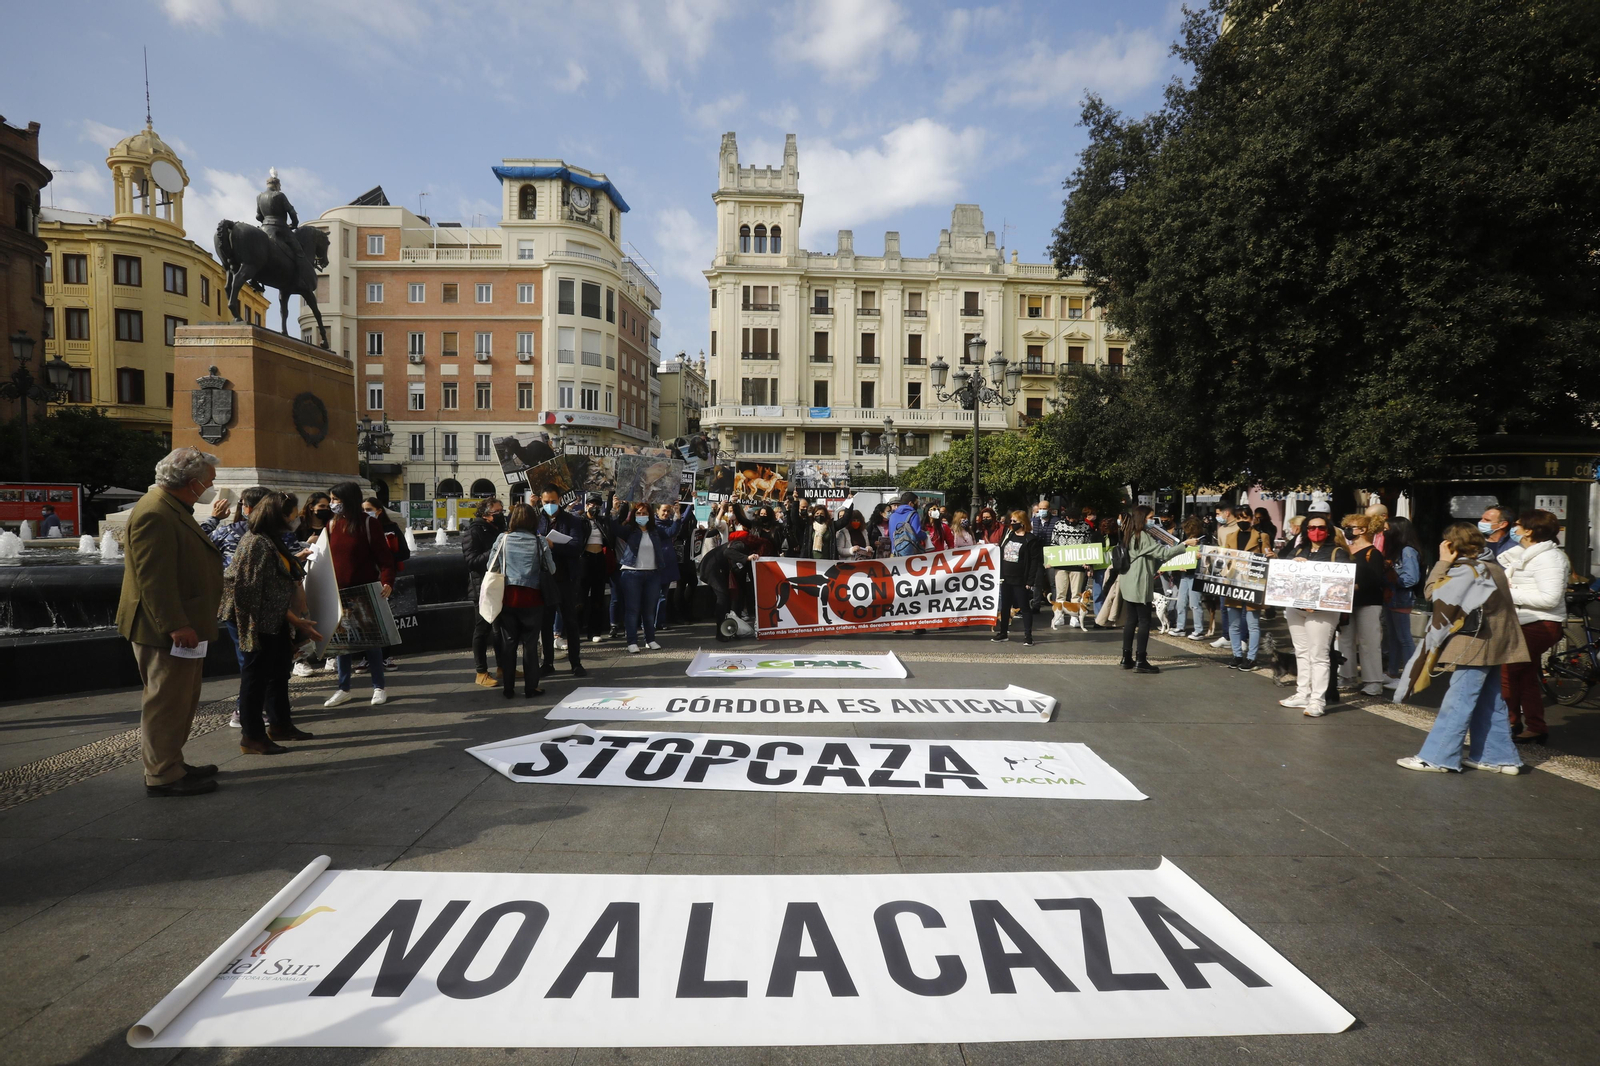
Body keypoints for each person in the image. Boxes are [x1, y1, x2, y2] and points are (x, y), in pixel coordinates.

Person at [116, 447, 225, 797]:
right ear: (192, 483)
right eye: (209, 481)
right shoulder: (155, 514)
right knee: (166, 703)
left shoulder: (173, 508)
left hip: (180, 626)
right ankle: (162, 775)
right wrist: (176, 624)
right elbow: (154, 579)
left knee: (181, 700)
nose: (213, 486)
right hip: (164, 631)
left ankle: (172, 761)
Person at [1398, 522, 1528, 774]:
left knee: (1458, 700)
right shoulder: (1492, 566)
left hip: (1474, 643)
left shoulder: (1465, 570)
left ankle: (1438, 757)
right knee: (1491, 701)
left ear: (1450, 544)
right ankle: (1498, 757)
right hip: (1497, 642)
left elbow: (1433, 595)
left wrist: (1442, 562)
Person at [219, 493, 322, 753]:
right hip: (256, 622)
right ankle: (252, 737)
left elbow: (275, 577)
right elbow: (251, 591)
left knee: (278, 673)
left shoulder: (270, 540)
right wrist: (295, 620)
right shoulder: (255, 543)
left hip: (273, 619)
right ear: (279, 515)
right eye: (293, 513)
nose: (297, 517)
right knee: (256, 677)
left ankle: (280, 725)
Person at [321, 481, 396, 707]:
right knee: (342, 644)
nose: (332, 504)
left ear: (348, 500)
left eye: (336, 500)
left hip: (364, 591)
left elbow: (385, 558)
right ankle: (343, 688)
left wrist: (387, 581)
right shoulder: (331, 524)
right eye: (331, 499)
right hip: (338, 592)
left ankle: (379, 686)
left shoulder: (368, 524)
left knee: (372, 641)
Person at [1498, 509, 1571, 745]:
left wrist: (1510, 593)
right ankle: (1535, 727)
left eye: (1518, 525)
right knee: (1525, 676)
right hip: (1527, 621)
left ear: (1529, 530)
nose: (1514, 529)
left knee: (1507, 672)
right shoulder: (1528, 554)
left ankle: (1510, 722)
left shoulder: (1549, 558)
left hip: (1540, 623)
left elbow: (1550, 598)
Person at [1280, 514, 1351, 718]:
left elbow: (1342, 583)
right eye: (1311, 528)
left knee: (1319, 656)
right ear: (1306, 530)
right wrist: (1293, 562)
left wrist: (1318, 601)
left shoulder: (1337, 553)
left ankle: (1317, 700)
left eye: (1320, 527)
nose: (1316, 531)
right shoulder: (1299, 549)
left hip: (1323, 611)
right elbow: (1284, 573)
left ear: (1328, 530)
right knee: (1301, 651)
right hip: (1297, 608)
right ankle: (1303, 692)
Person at [489, 502, 557, 699]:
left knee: (509, 643)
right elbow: (551, 569)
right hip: (533, 599)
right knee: (530, 644)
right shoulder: (539, 541)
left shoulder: (503, 538)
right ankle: (531, 687)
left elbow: (490, 566)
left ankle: (508, 688)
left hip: (508, 598)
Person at [1118, 505, 1196, 672]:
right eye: (1150, 518)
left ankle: (1126, 657)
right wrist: (1184, 545)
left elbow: (1152, 557)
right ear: (1142, 519)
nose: (1153, 521)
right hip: (1139, 582)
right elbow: (1164, 554)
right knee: (1144, 621)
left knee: (1131, 621)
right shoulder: (1143, 536)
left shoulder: (1129, 534)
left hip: (1128, 581)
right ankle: (1141, 660)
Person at [610, 500, 684, 652]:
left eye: (644, 513)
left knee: (649, 610)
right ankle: (632, 642)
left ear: (650, 515)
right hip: (631, 573)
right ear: (634, 515)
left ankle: (650, 639)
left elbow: (672, 532)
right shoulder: (630, 530)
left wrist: (677, 515)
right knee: (632, 609)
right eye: (638, 513)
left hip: (652, 574)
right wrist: (614, 511)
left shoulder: (655, 531)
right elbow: (614, 528)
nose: (641, 516)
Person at [533, 485, 591, 679]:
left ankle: (575, 662)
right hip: (544, 579)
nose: (550, 505)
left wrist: (553, 545)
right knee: (545, 623)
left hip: (566, 578)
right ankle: (547, 662)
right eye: (546, 502)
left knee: (571, 622)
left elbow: (575, 547)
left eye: (553, 502)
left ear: (560, 501)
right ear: (541, 500)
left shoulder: (572, 521)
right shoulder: (535, 520)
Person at [1337, 513, 1387, 696]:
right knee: (1344, 640)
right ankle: (1347, 676)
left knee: (1369, 642)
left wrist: (1352, 587)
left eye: (1350, 527)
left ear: (1363, 530)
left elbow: (1375, 579)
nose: (1347, 530)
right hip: (1346, 602)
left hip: (1369, 603)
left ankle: (1373, 681)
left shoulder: (1373, 553)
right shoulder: (1343, 550)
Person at [1218, 506, 1270, 670]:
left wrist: (1272, 556)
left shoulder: (1262, 537)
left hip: (1253, 584)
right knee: (1233, 623)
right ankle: (1237, 655)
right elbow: (1223, 559)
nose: (1242, 521)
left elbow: (1268, 560)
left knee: (1252, 624)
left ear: (1252, 519)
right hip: (1233, 582)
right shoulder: (1230, 536)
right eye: (1239, 518)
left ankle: (1252, 658)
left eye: (1245, 518)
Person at [462, 497, 506, 687]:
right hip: (482, 587)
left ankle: (504, 667)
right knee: (482, 629)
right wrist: (496, 549)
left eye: (502, 511)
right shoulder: (473, 532)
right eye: (498, 512)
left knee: (500, 630)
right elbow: (471, 561)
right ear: (486, 514)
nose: (501, 515)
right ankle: (481, 672)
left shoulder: (498, 529)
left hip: (499, 584)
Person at [362, 498, 408, 672]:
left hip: (385, 577)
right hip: (367, 576)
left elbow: (404, 552)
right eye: (363, 509)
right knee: (366, 619)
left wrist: (385, 557)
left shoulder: (391, 528)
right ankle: (366, 657)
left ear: (379, 510)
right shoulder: (360, 528)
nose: (365, 512)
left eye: (369, 509)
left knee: (387, 617)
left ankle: (386, 656)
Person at [1380, 515, 1424, 688]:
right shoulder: (1397, 550)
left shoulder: (1407, 551)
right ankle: (1392, 672)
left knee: (1404, 638)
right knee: (1393, 637)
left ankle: (1410, 676)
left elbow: (1411, 578)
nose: (1384, 532)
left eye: (1387, 529)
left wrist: (1392, 580)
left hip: (1401, 597)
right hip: (1391, 597)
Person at [992, 509, 1046, 645]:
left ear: (1022, 523)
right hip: (1006, 577)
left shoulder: (1030, 539)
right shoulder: (1008, 535)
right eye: (1011, 521)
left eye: (1014, 521)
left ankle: (1028, 635)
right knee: (1005, 607)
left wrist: (1030, 580)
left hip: (1020, 579)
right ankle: (1003, 633)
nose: (1012, 523)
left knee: (1024, 607)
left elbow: (1034, 561)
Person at [1047, 507, 1094, 629]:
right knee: (1060, 592)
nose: (1073, 521)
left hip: (1078, 566)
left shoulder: (1085, 526)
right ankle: (1060, 616)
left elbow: (1088, 545)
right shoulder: (1058, 525)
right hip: (1061, 565)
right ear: (1066, 517)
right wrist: (1050, 560)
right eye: (1070, 518)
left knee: (1076, 593)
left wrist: (1087, 562)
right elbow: (1054, 543)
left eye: (1076, 518)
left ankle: (1074, 617)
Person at [1174, 515, 1211, 639]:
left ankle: (1199, 629)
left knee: (1195, 603)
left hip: (1196, 574)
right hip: (1185, 574)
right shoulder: (1188, 540)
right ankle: (1180, 627)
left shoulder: (1203, 540)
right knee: (1181, 601)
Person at [886, 492, 925, 556]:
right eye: (916, 502)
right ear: (910, 503)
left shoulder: (892, 516)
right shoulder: (913, 515)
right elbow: (917, 533)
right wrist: (925, 535)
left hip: (895, 552)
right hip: (908, 553)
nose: (918, 505)